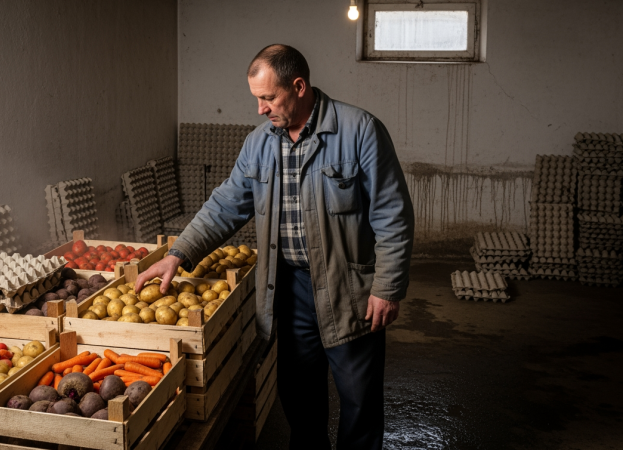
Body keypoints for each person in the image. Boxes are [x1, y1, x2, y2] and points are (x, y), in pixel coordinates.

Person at [135, 44, 414, 449]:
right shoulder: (260, 143)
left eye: (268, 98)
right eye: (258, 99)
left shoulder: (359, 131)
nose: (261, 109)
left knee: (359, 401)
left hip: (348, 287)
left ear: (298, 87)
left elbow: (392, 215)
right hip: (293, 289)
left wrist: (387, 287)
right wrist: (178, 253)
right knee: (300, 398)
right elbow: (226, 205)